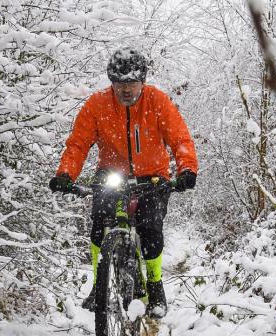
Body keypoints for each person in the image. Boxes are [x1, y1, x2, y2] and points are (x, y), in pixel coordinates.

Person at [48, 47, 198, 318]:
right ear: (111, 82)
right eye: (120, 82)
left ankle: (154, 285)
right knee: (99, 224)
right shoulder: (97, 105)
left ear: (142, 81)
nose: (126, 89)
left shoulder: (157, 101)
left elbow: (180, 138)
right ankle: (99, 284)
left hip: (152, 175)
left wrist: (186, 169)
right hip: (111, 173)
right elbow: (78, 143)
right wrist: (65, 174)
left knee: (151, 228)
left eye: (131, 82)